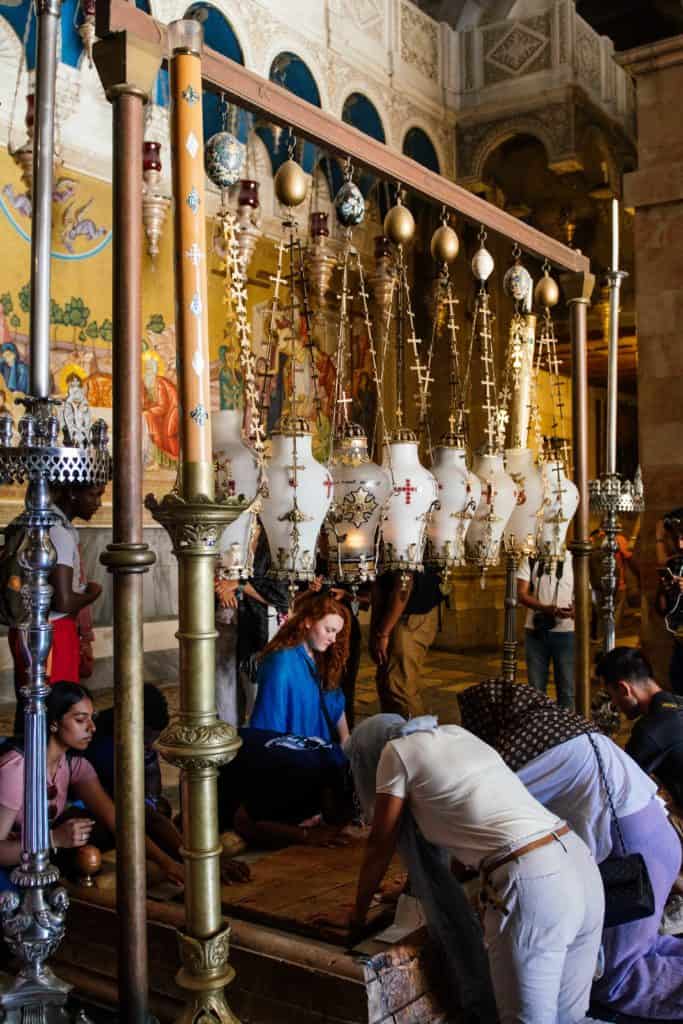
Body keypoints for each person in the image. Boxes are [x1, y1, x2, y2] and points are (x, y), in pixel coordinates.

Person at [342, 714, 604, 1024]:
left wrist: (357, 916)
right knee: (569, 1019)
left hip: (534, 877)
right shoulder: (455, 733)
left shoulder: (393, 752)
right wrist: (405, 893)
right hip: (577, 860)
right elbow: (464, 825)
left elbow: (379, 844)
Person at [459, 679, 683, 1021]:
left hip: (633, 852)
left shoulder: (524, 752)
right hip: (659, 839)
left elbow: (485, 817)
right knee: (644, 946)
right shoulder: (563, 726)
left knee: (616, 978)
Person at [0, 682, 183, 889]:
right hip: (10, 869)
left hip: (36, 855)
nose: (92, 728)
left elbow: (117, 820)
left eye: (91, 718)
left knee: (131, 815)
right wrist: (53, 839)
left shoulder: (75, 764)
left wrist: (170, 863)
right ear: (53, 723)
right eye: (80, 720)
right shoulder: (16, 769)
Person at [7, 481, 104, 728]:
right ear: (72, 493)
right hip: (51, 633)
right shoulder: (57, 532)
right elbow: (64, 600)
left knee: (33, 704)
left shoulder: (36, 523)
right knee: (55, 709)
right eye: (94, 494)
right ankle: (46, 763)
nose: (98, 503)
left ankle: (32, 760)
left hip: (31, 629)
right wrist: (93, 592)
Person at [217, 727, 353, 848]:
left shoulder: (338, 758)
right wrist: (305, 835)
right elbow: (243, 822)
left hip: (232, 739)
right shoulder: (297, 777)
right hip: (212, 764)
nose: (341, 825)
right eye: (343, 816)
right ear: (329, 794)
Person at [250, 591, 351, 744]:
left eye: (336, 632)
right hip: (295, 756)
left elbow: (334, 700)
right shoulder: (280, 663)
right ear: (308, 621)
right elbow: (269, 724)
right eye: (329, 630)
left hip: (319, 751)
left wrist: (345, 740)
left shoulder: (320, 655)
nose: (333, 639)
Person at [214, 522, 288, 725]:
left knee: (256, 690)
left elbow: (280, 596)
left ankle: (258, 740)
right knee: (223, 687)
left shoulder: (273, 539)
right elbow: (207, 567)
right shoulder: (224, 531)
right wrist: (221, 587)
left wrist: (238, 585)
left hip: (258, 627)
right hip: (223, 621)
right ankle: (227, 737)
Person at [596, 647, 683, 810]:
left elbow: (616, 787)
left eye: (611, 696)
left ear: (624, 689)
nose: (614, 704)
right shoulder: (678, 702)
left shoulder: (650, 730)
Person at [371, 567, 444, 719]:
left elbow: (403, 587)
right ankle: (397, 739)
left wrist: (383, 633)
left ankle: (418, 739)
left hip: (410, 616)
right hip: (400, 614)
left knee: (399, 687)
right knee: (387, 684)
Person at [517, 550, 575, 708]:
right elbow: (521, 594)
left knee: (567, 689)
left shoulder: (574, 558)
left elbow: (585, 595)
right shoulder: (531, 558)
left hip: (566, 632)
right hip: (535, 631)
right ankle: (540, 726)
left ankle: (567, 729)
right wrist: (545, 609)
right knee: (536, 689)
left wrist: (574, 611)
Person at [655, 510, 683, 694]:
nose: (680, 544)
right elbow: (662, 609)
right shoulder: (676, 564)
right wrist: (666, 591)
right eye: (678, 538)